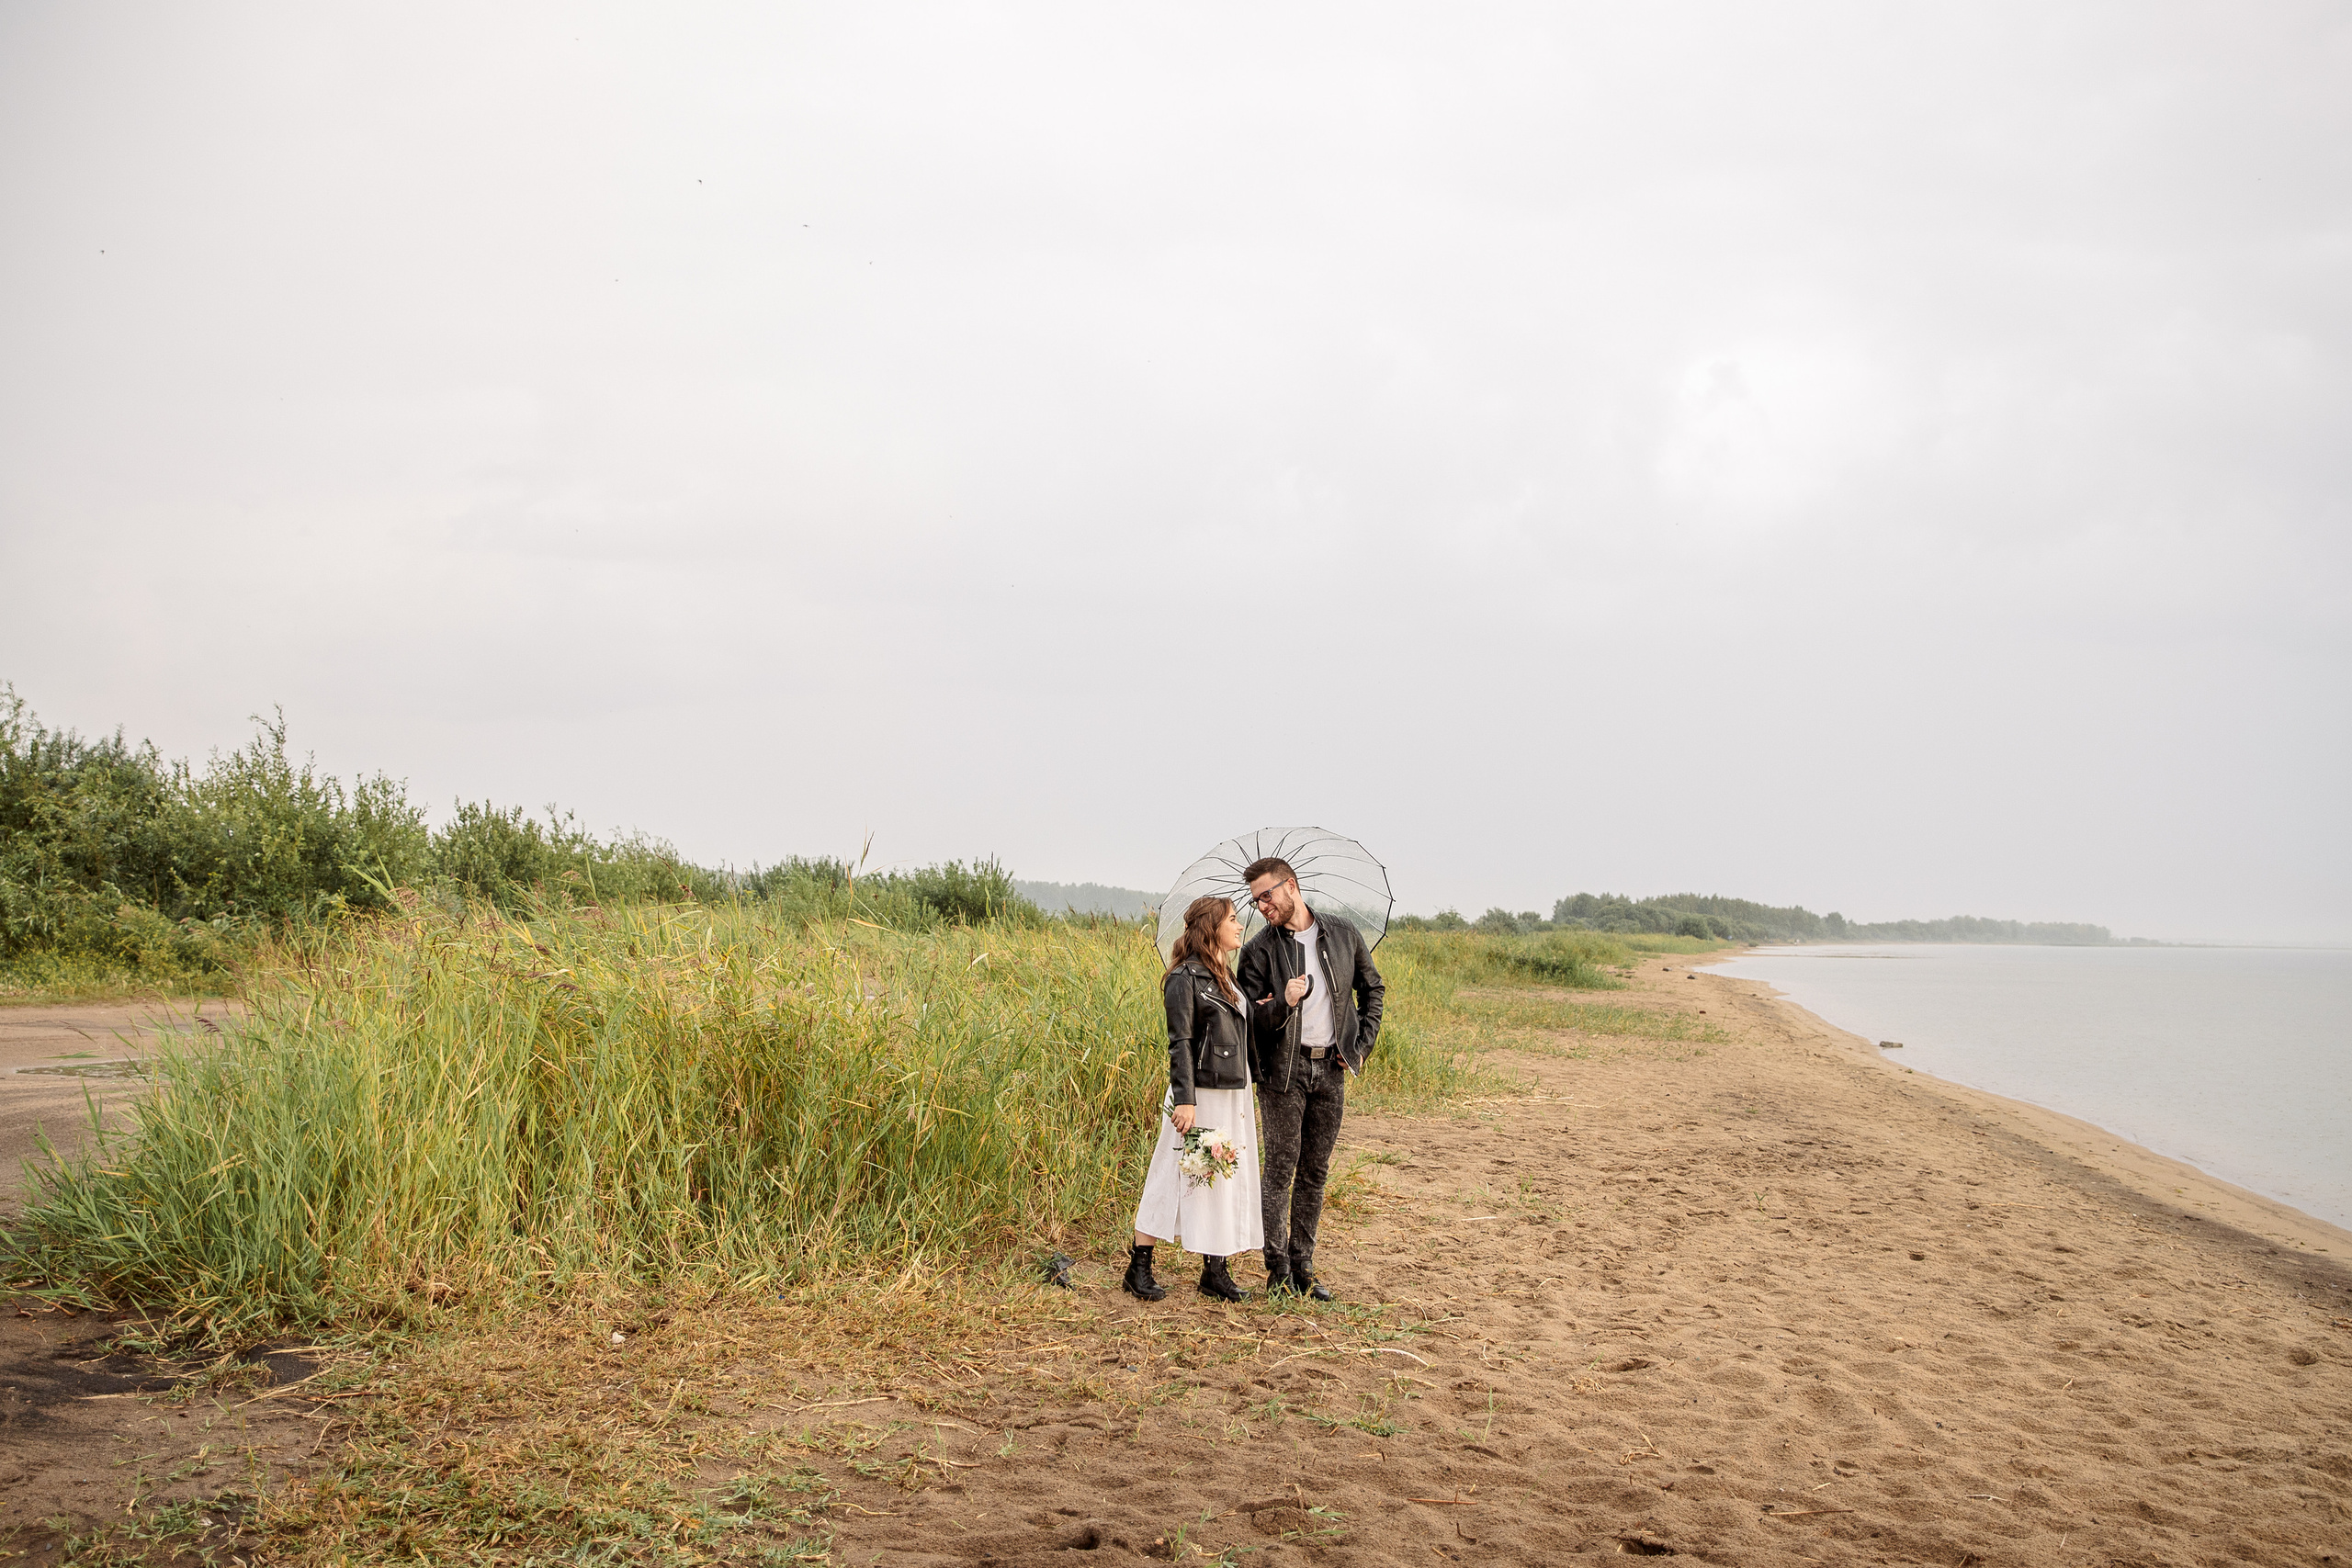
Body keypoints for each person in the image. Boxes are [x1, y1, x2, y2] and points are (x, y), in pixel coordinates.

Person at [1238, 856, 1385, 1301]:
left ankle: (1304, 1266)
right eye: (1255, 900)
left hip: (1332, 1068)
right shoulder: (1259, 950)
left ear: (1291, 886)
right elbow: (1248, 1016)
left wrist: (1360, 1046)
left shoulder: (1341, 934)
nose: (1262, 906)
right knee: (1280, 1170)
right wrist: (1282, 1001)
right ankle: (1277, 1269)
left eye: (1267, 895)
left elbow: (1372, 988)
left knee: (1315, 1172)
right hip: (1284, 1070)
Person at [1125, 895, 1266, 1303]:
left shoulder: (1226, 974)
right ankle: (1139, 1267)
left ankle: (1215, 1271)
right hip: (1199, 1093)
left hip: (1230, 1091)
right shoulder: (1185, 978)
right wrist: (1184, 1099)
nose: (1240, 926)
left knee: (1218, 1173)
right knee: (1171, 1170)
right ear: (1212, 927)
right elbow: (1180, 1042)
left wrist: (1283, 1003)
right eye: (1234, 920)